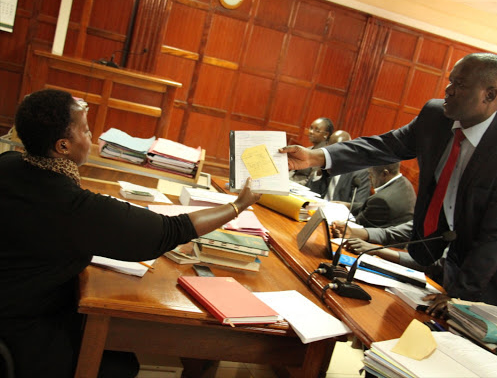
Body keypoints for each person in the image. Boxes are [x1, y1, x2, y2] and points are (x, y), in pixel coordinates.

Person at [0, 89, 261, 378]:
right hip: (22, 332)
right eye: (86, 131)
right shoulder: (73, 208)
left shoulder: (9, 162)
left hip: (13, 301)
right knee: (120, 365)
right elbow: (170, 230)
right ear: (63, 146)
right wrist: (239, 205)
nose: (94, 139)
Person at [280, 52, 497, 314]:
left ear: (490, 95)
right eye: (450, 81)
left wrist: (460, 297)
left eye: (460, 85)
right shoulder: (435, 116)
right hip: (444, 261)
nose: (448, 90)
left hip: (495, 277)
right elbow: (384, 146)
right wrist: (315, 156)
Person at [333, 163, 416, 228]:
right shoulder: (404, 183)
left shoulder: (382, 200)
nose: (369, 178)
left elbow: (355, 227)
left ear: (384, 173)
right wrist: (347, 206)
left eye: (371, 174)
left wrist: (334, 220)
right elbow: (373, 207)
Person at [306, 130, 370, 203]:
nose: (336, 154)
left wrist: (340, 206)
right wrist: (318, 174)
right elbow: (309, 193)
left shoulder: (360, 173)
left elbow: (358, 205)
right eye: (332, 149)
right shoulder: (326, 166)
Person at [289, 117, 334, 185]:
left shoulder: (323, 155)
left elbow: (311, 180)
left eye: (317, 130)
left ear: (326, 134)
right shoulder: (308, 149)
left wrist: (291, 184)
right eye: (311, 128)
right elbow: (293, 170)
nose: (311, 132)